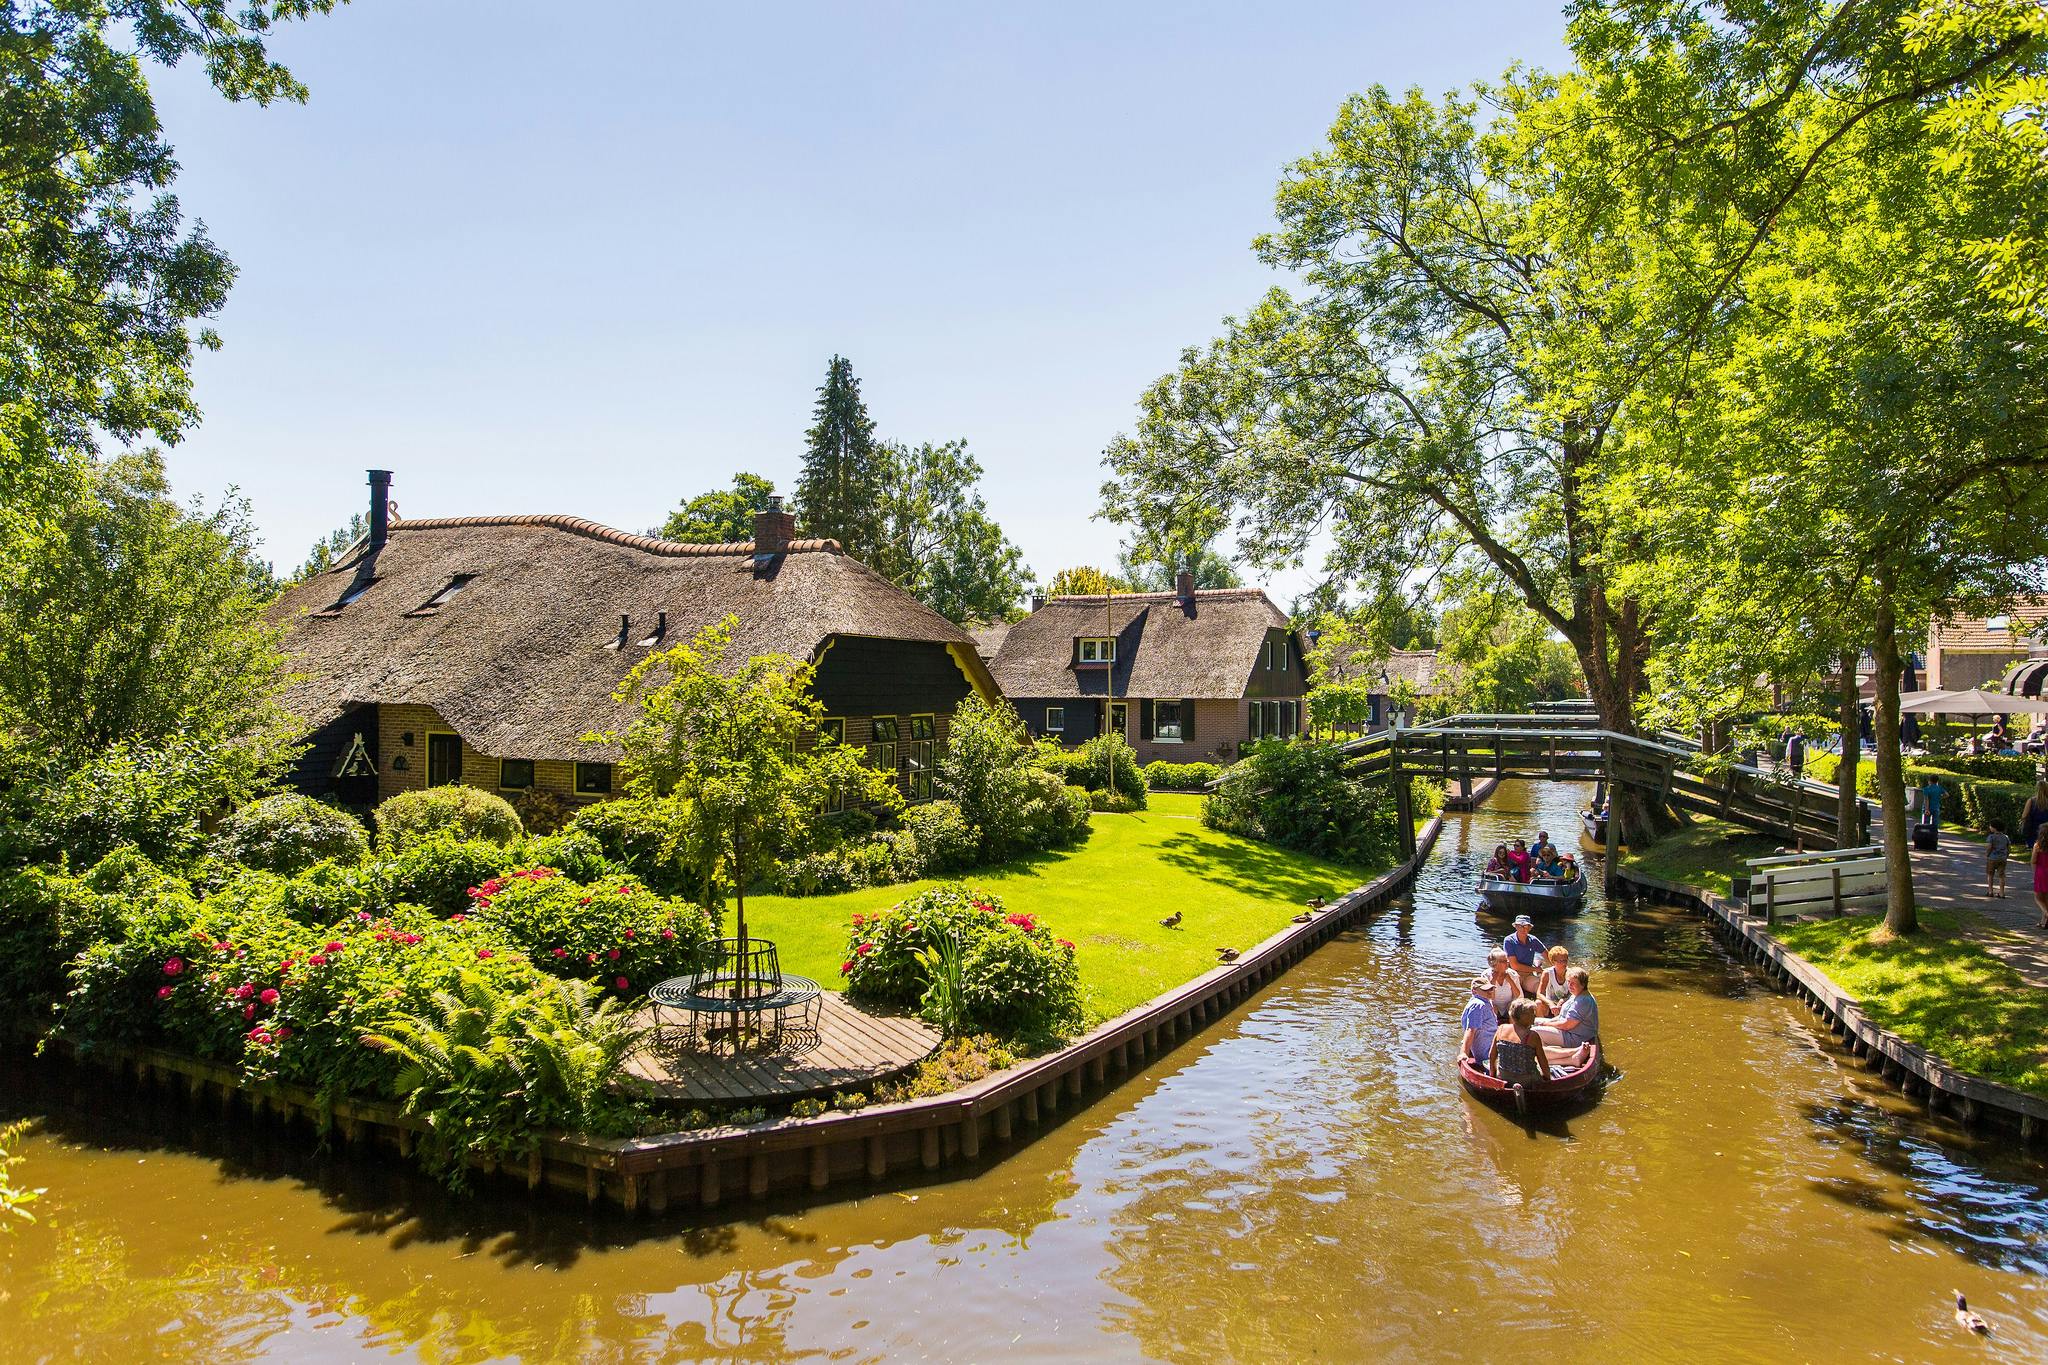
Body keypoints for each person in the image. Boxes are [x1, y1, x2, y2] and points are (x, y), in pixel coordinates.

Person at [1534, 966, 1598, 1064]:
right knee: (1534, 1021)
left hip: (1574, 1037)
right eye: (1568, 982)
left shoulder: (1584, 1001)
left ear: (1583, 984)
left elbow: (1567, 1025)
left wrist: (1546, 1024)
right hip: (1568, 1031)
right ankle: (1548, 1051)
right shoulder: (1576, 994)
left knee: (1533, 1032)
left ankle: (1569, 1057)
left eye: (1573, 983)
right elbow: (1561, 1017)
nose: (1570, 986)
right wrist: (1544, 1022)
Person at [1490, 999, 1552, 1083]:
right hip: (1528, 1081)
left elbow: (1492, 1055)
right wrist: (1548, 1079)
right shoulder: (1533, 1036)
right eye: (1532, 1013)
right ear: (1522, 1016)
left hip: (1503, 1078)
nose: (1534, 1015)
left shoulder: (1501, 1029)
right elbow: (1543, 1063)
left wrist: (1492, 1076)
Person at [1459, 976, 1499, 1070]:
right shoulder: (1478, 1005)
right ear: (1474, 991)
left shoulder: (1484, 1002)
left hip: (1492, 1047)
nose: (1489, 992)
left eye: (1491, 989)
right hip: (1488, 1053)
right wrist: (1463, 1052)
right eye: (1485, 990)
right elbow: (1471, 1030)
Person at [1501, 916, 1547, 995]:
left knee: (1541, 989)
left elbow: (1547, 955)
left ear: (1529, 928)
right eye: (1519, 926)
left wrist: (1557, 968)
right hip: (1513, 975)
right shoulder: (1509, 940)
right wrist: (1537, 969)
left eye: (1525, 926)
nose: (1522, 929)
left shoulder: (1533, 940)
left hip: (1528, 975)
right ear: (1515, 927)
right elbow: (1514, 965)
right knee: (1516, 996)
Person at [1483, 949, 1523, 1020]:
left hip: (1508, 1005)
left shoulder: (1513, 974)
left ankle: (1513, 1029)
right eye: (1504, 961)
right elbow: (1490, 997)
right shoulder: (1486, 975)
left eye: (1507, 960)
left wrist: (1510, 981)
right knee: (1492, 1007)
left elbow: (1518, 995)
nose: (1507, 963)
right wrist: (1493, 981)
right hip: (1494, 1006)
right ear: (1495, 963)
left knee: (1514, 1006)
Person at [1535, 944, 1572, 1018]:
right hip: (1550, 1005)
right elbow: (1539, 994)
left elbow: (1576, 994)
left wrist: (1564, 1000)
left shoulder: (1571, 973)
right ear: (1553, 962)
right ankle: (1541, 1026)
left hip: (1566, 1003)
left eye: (1565, 960)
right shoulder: (1547, 973)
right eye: (1560, 961)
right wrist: (1550, 1004)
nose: (1564, 963)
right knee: (1538, 1003)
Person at [1987, 818, 2012, 898]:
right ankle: (2001, 893)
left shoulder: (1991, 837)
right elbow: (2009, 848)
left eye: (1990, 826)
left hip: (1992, 858)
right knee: (2001, 875)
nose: (1989, 827)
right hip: (2002, 859)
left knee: (1990, 874)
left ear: (1994, 828)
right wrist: (2006, 855)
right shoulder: (2006, 837)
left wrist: (1987, 854)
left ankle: (1990, 891)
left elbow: (1989, 847)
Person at [2022, 780, 2048, 851]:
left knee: (2034, 849)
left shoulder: (2031, 801)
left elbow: (2024, 816)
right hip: (2046, 829)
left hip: (2032, 829)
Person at [2034, 833, 2048, 931]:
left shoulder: (2038, 845)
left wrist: (2035, 872)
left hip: (2041, 871)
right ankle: (2044, 921)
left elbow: (2033, 860)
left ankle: (2046, 913)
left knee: (2038, 897)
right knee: (2046, 897)